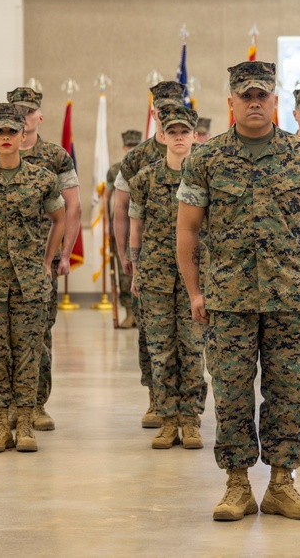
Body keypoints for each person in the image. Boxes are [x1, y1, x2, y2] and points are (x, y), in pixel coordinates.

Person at [177, 60, 300, 522]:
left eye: (261, 95)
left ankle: (283, 484)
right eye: (245, 95)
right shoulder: (206, 159)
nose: (253, 102)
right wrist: (194, 292)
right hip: (228, 301)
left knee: (289, 391)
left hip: (291, 297)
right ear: (231, 102)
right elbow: (186, 234)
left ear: (274, 101)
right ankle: (237, 486)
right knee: (230, 392)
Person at [0, 103, 65, 454]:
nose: (6, 138)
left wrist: (47, 260)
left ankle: (27, 423)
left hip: (30, 282)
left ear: (23, 135)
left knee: (29, 353)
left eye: (12, 132)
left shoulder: (42, 179)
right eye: (0, 132)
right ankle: (2, 424)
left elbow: (59, 219)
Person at [0, 86, 82, 433]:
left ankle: (35, 405)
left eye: (28, 111)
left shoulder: (56, 157)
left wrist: (64, 254)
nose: (22, 116)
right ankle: (6, 411)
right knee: (0, 342)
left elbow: (72, 208)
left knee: (37, 338)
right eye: (16, 110)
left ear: (38, 117)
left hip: (41, 261)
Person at [128, 105, 208, 450]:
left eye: (184, 132)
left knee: (192, 349)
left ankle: (190, 421)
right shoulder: (144, 179)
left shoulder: (205, 175)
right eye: (171, 132)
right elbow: (137, 227)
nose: (178, 138)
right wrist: (135, 267)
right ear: (161, 136)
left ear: (194, 136)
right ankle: (167, 419)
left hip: (196, 274)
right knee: (160, 350)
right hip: (155, 274)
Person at [114, 81, 181, 429]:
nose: (167, 113)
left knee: (188, 339)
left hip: (190, 264)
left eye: (174, 107)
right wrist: (127, 253)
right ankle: (156, 398)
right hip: (152, 261)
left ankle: (186, 410)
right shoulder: (137, 158)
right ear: (154, 112)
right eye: (162, 108)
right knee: (151, 335)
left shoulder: (196, 152)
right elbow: (121, 208)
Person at [107, 129, 142, 329]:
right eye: (129, 146)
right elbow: (107, 198)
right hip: (123, 225)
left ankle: (140, 312)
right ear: (123, 147)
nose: (132, 149)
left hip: (142, 226)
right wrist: (106, 225)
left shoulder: (146, 164)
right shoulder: (115, 169)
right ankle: (129, 312)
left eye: (135, 145)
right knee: (124, 272)